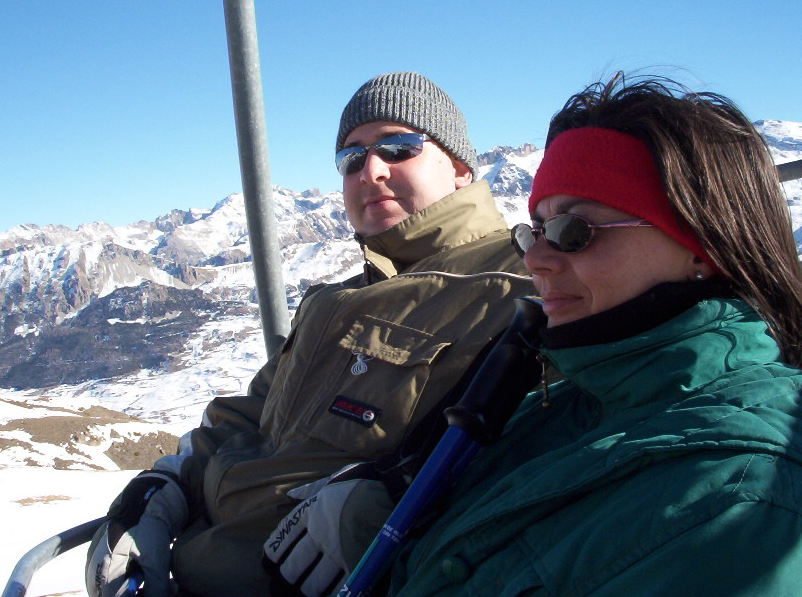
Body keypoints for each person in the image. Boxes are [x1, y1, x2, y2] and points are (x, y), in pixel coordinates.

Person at [85, 71, 537, 597]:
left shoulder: (526, 286)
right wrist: (167, 482)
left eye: (398, 147)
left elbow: (551, 447)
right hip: (189, 570)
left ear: (459, 168)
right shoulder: (333, 300)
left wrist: (396, 501)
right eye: (351, 158)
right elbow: (253, 414)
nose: (371, 170)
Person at [376, 73, 802, 596]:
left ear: (701, 248)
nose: (535, 260)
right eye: (533, 231)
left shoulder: (738, 500)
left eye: (573, 232)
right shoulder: (568, 401)